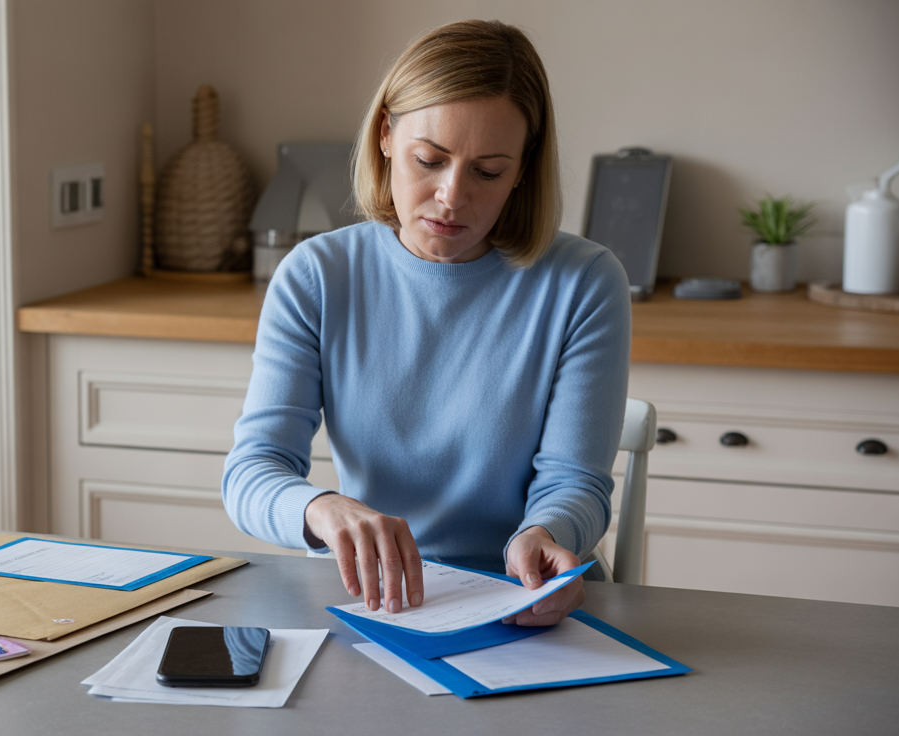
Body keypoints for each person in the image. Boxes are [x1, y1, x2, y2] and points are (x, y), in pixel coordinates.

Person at [222, 19, 630, 626]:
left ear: (522, 170)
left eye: (488, 172)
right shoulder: (317, 274)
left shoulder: (584, 281)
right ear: (386, 135)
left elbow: (576, 479)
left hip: (528, 606)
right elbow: (253, 471)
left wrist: (547, 530)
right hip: (384, 602)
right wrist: (324, 509)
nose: (451, 196)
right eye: (429, 160)